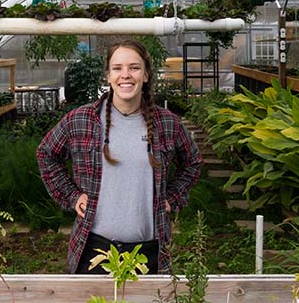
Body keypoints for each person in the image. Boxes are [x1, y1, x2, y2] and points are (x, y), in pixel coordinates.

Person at [37, 40, 202, 274]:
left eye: (134, 67)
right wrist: (72, 196)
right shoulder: (81, 120)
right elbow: (46, 153)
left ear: (145, 75)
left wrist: (172, 197)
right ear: (108, 76)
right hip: (93, 250)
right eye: (117, 68)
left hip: (149, 252)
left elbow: (193, 162)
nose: (126, 75)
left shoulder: (167, 123)